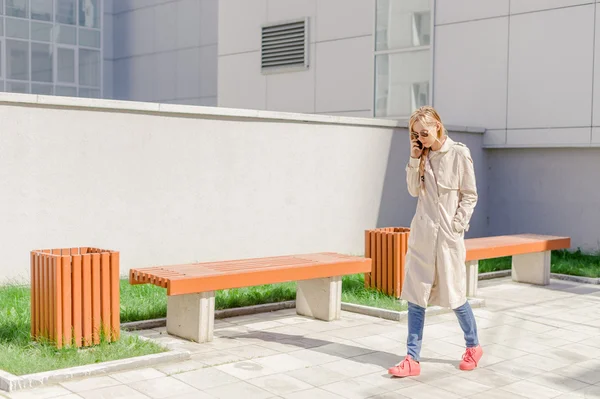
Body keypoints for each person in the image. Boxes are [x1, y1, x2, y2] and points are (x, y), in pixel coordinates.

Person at [388, 106, 482, 378]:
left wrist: (457, 225)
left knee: (455, 296)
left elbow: (470, 195)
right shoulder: (421, 156)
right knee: (416, 297)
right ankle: (411, 359)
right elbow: (413, 190)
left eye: (425, 133)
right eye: (416, 134)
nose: (421, 138)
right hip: (423, 237)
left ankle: (473, 346)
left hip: (448, 239)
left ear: (438, 126)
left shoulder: (459, 153)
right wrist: (414, 158)